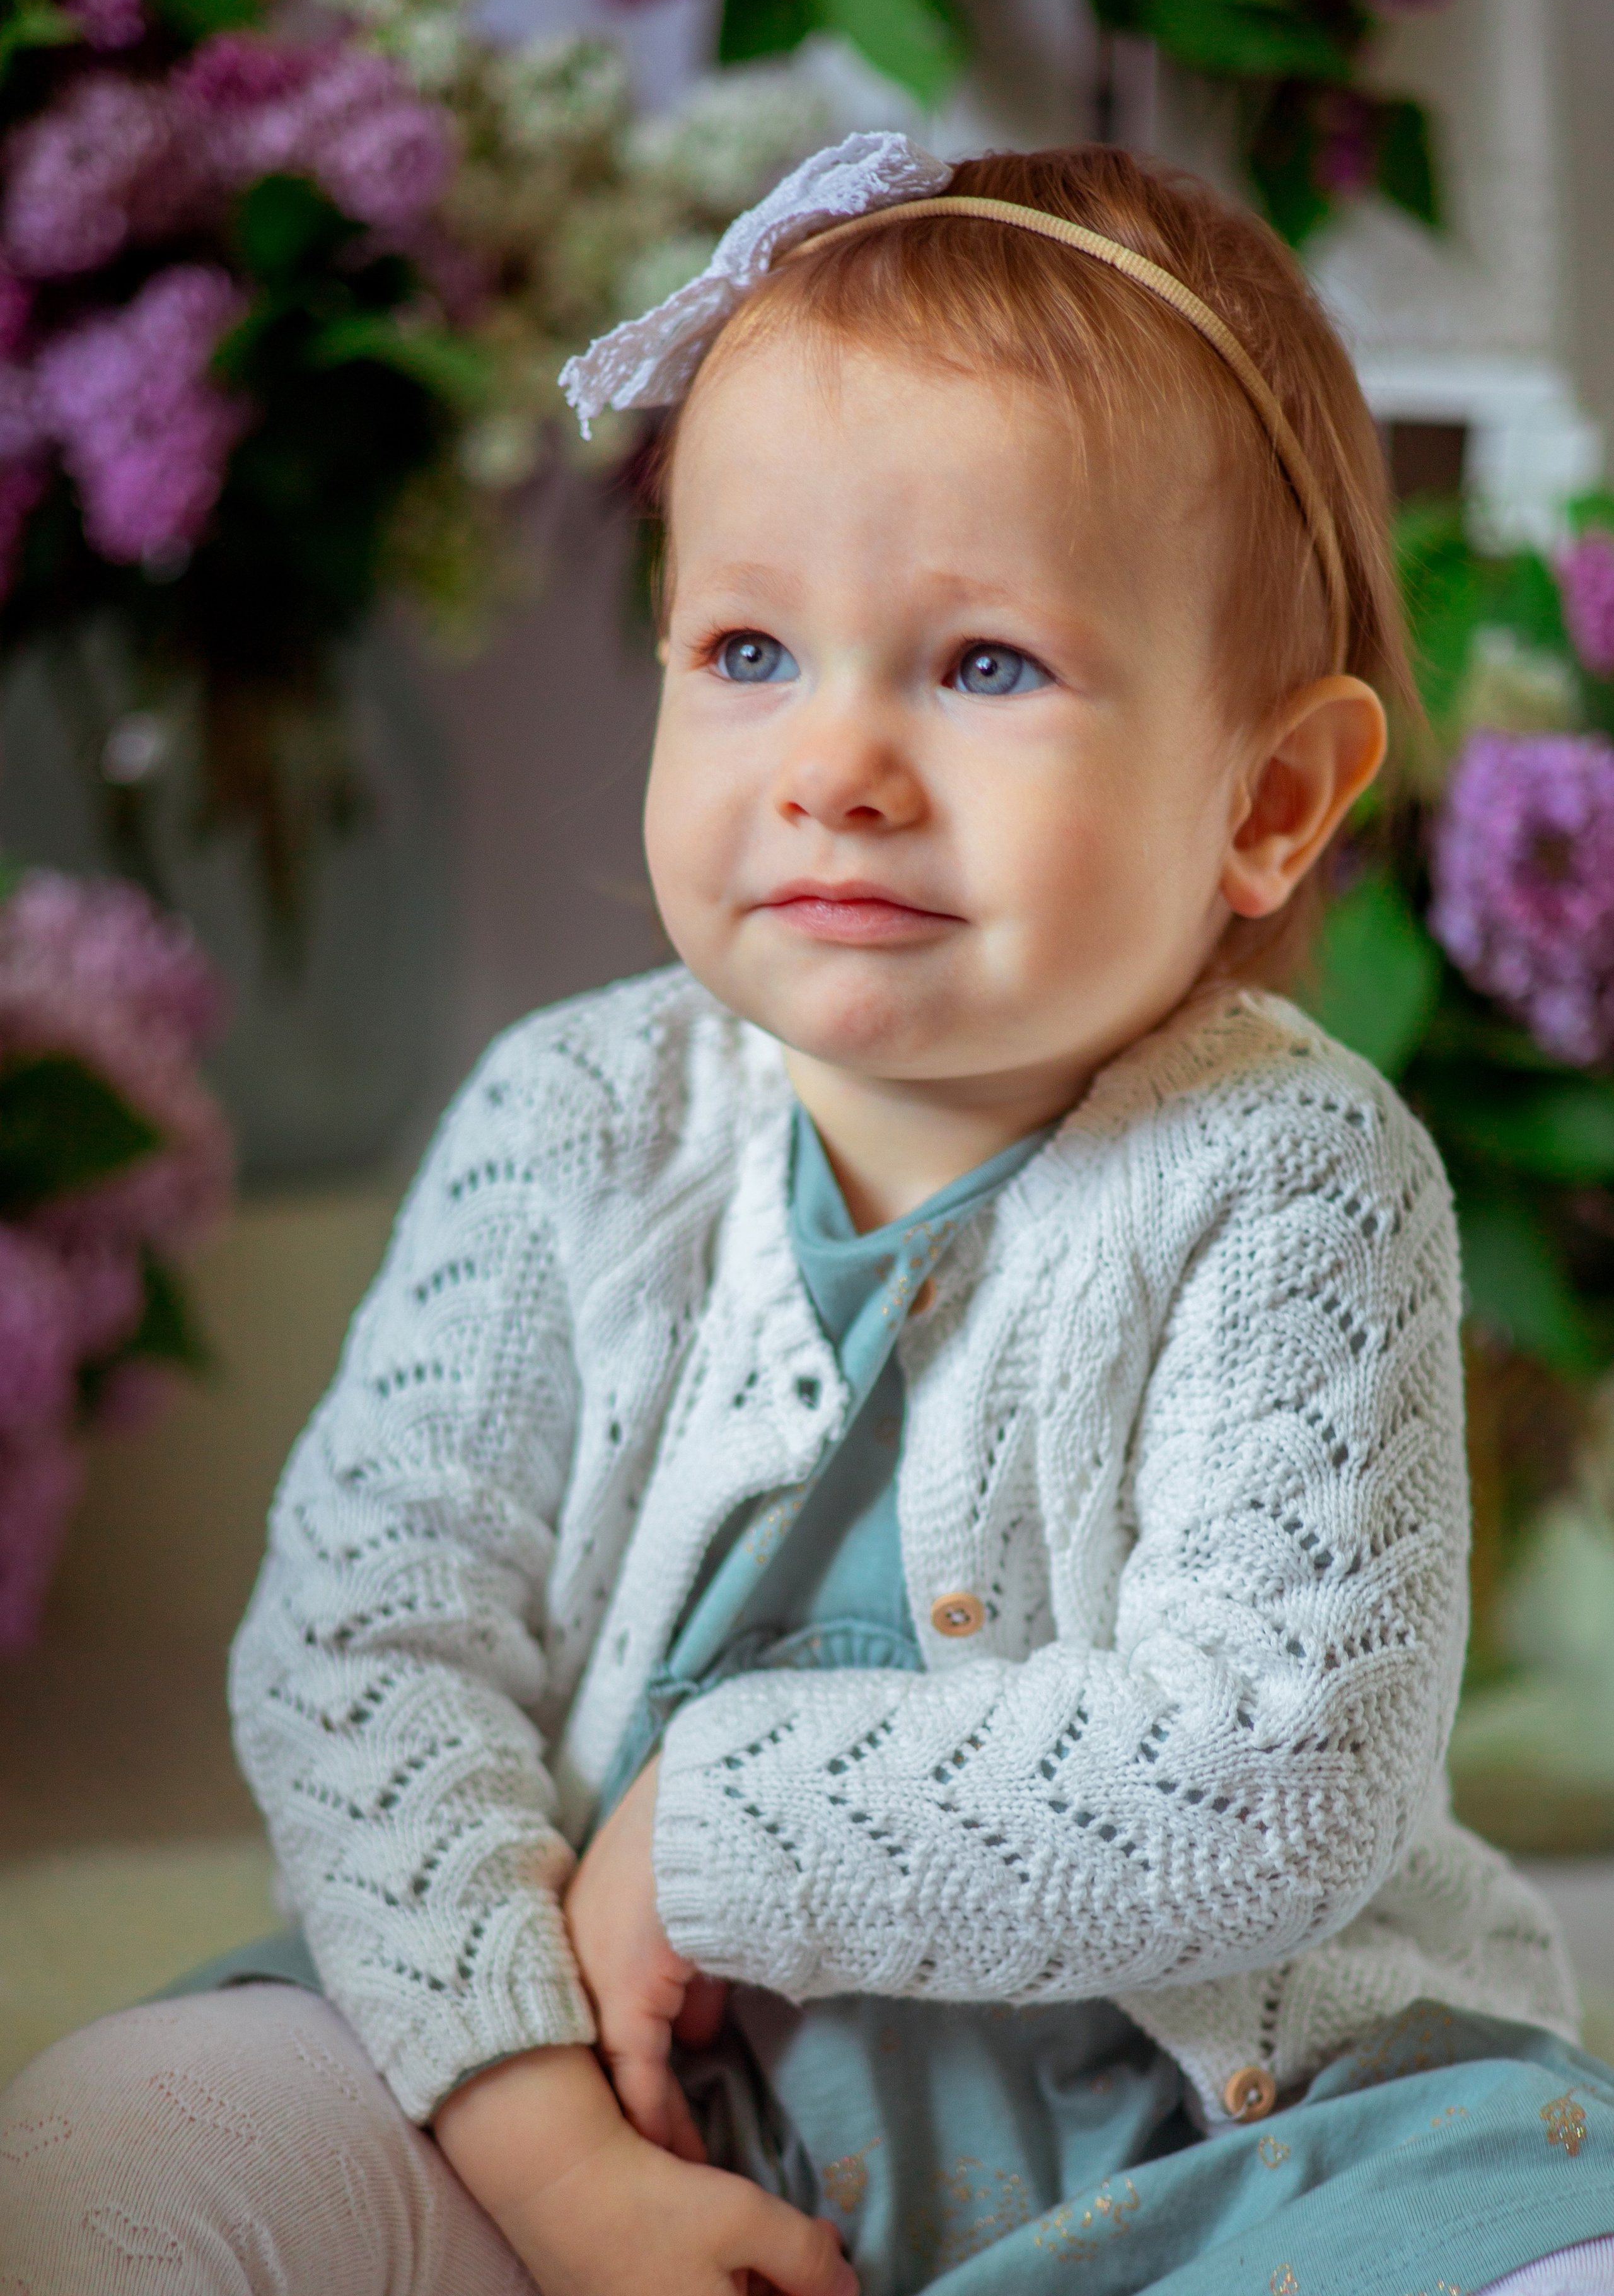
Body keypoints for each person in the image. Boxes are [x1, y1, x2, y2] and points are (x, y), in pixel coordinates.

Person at [4, 135, 1612, 2296]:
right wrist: (549, 2156)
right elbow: (366, 1649)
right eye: (751, 647)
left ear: (1268, 799)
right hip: (619, 2091)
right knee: (116, 2149)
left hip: (1228, 2144)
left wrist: (715, 1825)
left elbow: (1274, 1774)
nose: (835, 762)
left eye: (985, 667)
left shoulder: (1294, 1178)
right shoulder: (573, 1122)